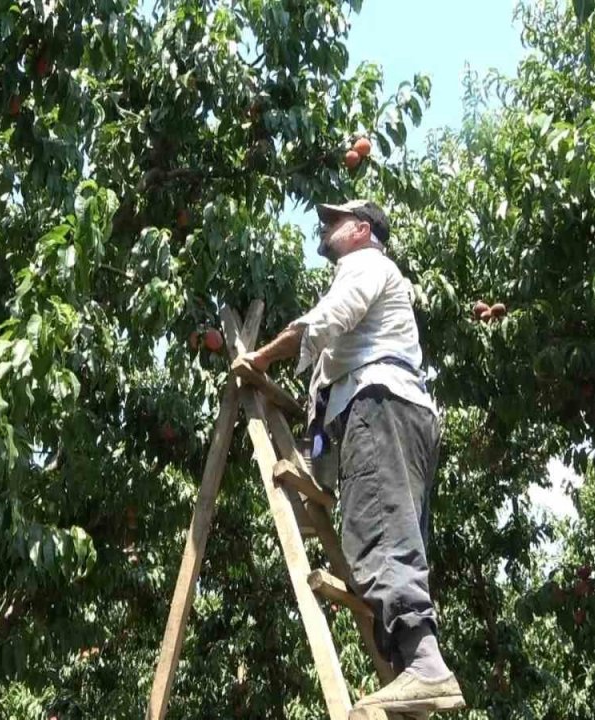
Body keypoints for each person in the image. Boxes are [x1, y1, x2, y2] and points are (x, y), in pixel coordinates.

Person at [233, 200, 465, 714]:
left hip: (379, 405)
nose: (324, 226)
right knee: (393, 533)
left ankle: (426, 667)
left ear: (362, 230)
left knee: (382, 533)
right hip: (397, 410)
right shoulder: (378, 285)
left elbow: (324, 321)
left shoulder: (364, 265)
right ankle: (413, 672)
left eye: (334, 220)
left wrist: (261, 358)